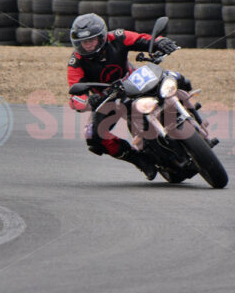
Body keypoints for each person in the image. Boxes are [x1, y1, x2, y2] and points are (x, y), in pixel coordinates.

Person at [67, 13, 180, 180]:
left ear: (102, 37)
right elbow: (75, 95)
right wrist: (88, 102)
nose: (88, 45)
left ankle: (188, 111)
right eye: (84, 42)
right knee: (93, 137)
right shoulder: (76, 63)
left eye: (91, 40)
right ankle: (138, 159)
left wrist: (159, 42)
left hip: (134, 81)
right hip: (108, 98)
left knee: (172, 77)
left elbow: (141, 39)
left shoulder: (118, 37)